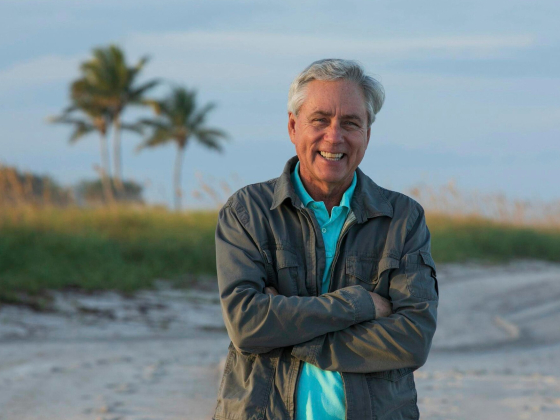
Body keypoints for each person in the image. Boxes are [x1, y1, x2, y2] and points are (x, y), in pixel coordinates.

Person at [213, 59, 438, 420]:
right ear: (292, 126)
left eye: (351, 123)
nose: (334, 136)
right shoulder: (247, 212)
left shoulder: (403, 220)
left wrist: (287, 332)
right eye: (320, 120)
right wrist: (360, 306)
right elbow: (247, 325)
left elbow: (412, 339)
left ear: (367, 134)